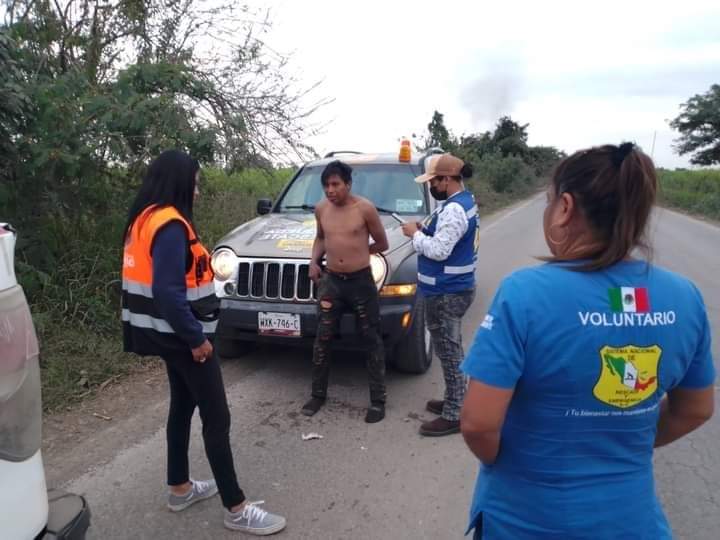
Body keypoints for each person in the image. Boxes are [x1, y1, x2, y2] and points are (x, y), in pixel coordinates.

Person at [460, 143, 715, 539]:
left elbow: (478, 424)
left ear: (564, 207)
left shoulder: (525, 293)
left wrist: (513, 464)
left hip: (525, 520)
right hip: (634, 522)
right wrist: (627, 443)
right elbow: (695, 409)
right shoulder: (684, 296)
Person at [121, 150, 286, 536]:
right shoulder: (170, 225)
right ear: (179, 181)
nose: (196, 189)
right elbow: (166, 291)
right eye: (194, 182)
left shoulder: (144, 218)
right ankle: (236, 506)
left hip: (165, 334)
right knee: (217, 416)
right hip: (183, 338)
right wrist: (196, 340)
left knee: (182, 406)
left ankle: (179, 488)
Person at [301, 160, 390, 423]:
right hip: (331, 283)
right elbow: (320, 238)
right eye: (326, 185)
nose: (330, 190)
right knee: (323, 337)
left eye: (335, 184)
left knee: (371, 338)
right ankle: (317, 394)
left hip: (361, 282)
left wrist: (361, 253)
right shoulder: (321, 209)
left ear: (348, 184)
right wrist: (313, 261)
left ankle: (378, 400)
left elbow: (382, 242)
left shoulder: (364, 208)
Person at [401, 153, 478, 436]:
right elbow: (446, 238)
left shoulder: (455, 209)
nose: (431, 186)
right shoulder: (460, 203)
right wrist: (425, 229)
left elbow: (439, 250)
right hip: (452, 287)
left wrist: (414, 235)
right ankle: (456, 398)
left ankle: (456, 413)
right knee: (451, 349)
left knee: (449, 352)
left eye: (434, 181)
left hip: (447, 291)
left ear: (447, 180)